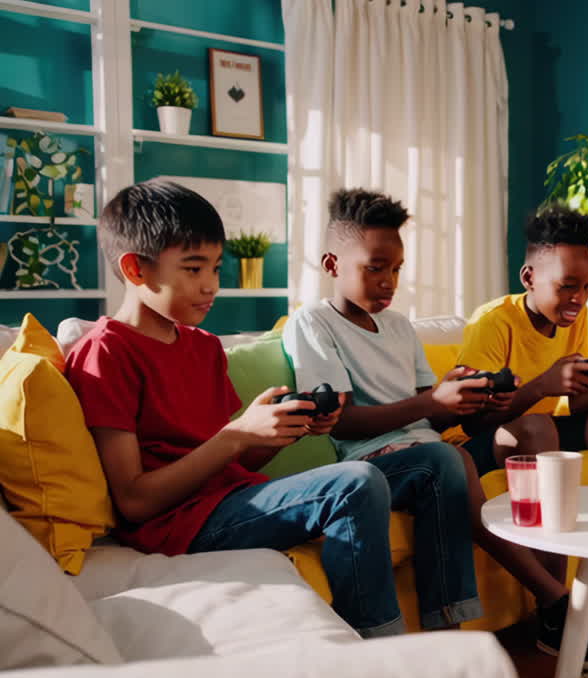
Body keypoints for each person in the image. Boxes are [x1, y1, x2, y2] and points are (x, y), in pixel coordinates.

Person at [64, 179, 477, 639]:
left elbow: (235, 464)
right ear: (136, 270)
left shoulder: (202, 347)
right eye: (194, 269)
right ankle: (382, 649)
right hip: (177, 525)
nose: (211, 286)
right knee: (354, 483)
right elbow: (135, 502)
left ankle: (445, 633)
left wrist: (278, 432)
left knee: (426, 466)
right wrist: (237, 434)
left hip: (230, 501)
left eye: (217, 268)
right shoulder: (106, 353)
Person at [282, 189, 588, 668]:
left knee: (450, 457)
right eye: (375, 268)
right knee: (449, 459)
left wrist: (470, 398)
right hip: (371, 462)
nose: (389, 282)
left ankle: (457, 632)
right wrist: (430, 403)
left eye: (397, 269)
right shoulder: (313, 324)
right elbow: (340, 420)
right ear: (332, 264)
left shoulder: (399, 327)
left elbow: (436, 417)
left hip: (430, 451)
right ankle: (551, 601)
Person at [448, 202, 588, 631]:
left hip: (538, 429)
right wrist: (542, 386)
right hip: (478, 443)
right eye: (568, 286)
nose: (579, 299)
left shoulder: (574, 317)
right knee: (537, 426)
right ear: (529, 278)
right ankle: (556, 609)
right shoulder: (493, 323)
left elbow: (577, 407)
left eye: (587, 287)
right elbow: (474, 421)